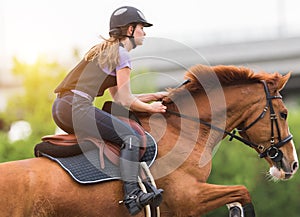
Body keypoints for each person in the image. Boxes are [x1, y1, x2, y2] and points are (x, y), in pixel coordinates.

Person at [51, 6, 166, 216]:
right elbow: (125, 99)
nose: (145, 32)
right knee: (130, 137)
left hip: (61, 107)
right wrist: (151, 108)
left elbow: (119, 97)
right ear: (130, 30)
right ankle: (132, 195)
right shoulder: (122, 54)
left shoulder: (110, 51)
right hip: (77, 106)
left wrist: (153, 96)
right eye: (142, 27)